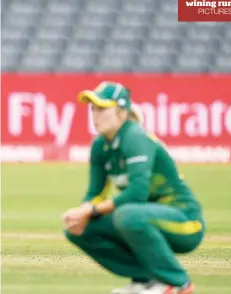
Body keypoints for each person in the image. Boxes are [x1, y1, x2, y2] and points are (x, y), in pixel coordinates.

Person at [63, 81, 205, 294]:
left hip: (185, 222)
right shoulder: (100, 146)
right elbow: (95, 193)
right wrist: (82, 213)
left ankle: (177, 283)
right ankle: (146, 280)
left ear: (121, 112)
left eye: (102, 108)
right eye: (92, 108)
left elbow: (137, 194)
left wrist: (91, 210)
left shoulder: (135, 137)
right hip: (143, 219)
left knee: (128, 214)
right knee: (80, 229)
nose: (95, 114)